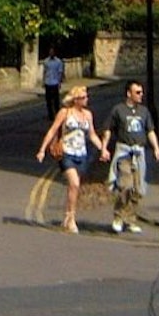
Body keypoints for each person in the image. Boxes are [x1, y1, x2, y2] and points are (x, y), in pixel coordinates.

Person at [35, 85, 107, 233]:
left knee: (75, 187)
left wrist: (102, 148)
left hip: (81, 154)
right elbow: (52, 130)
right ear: (76, 99)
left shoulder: (88, 115)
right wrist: (42, 150)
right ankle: (72, 218)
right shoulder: (65, 113)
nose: (87, 99)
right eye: (84, 97)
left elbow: (92, 134)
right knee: (74, 183)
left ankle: (68, 216)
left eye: (86, 97)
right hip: (66, 153)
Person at [100, 79, 159, 233]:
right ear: (129, 93)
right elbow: (107, 129)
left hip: (139, 153)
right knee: (125, 185)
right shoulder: (118, 110)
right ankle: (118, 217)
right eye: (137, 92)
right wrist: (104, 148)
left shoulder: (144, 111)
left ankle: (131, 219)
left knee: (137, 189)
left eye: (142, 92)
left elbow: (150, 131)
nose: (141, 95)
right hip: (124, 152)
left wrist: (156, 148)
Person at [40, 47, 66, 121]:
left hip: (55, 83)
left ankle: (58, 114)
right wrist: (43, 81)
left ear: (54, 53)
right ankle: (51, 115)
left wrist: (59, 82)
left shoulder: (58, 62)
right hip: (48, 83)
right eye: (50, 52)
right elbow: (44, 72)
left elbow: (60, 72)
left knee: (56, 101)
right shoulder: (46, 61)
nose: (51, 53)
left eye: (52, 52)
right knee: (48, 101)